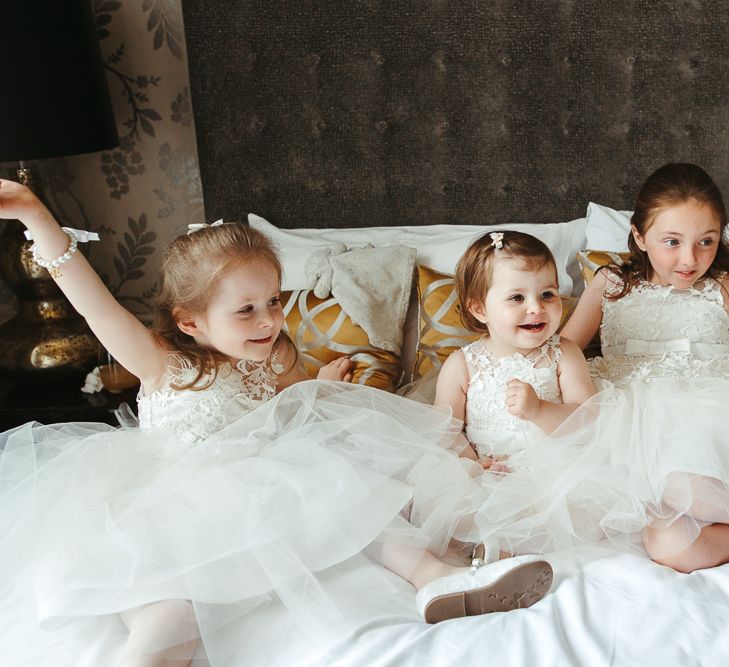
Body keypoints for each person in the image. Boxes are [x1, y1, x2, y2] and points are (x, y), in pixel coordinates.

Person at [0, 179, 553, 667]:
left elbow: (296, 413)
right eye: (246, 311)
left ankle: (438, 581)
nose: (268, 321)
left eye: (273, 301)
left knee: (352, 492)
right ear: (189, 320)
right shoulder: (165, 364)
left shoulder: (273, 358)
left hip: (261, 494)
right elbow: (91, 301)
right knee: (169, 622)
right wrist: (32, 212)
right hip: (174, 508)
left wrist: (323, 387)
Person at [560, 162, 729, 572]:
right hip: (628, 415)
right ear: (639, 234)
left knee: (677, 480)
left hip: (709, 407)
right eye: (672, 241)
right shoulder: (611, 284)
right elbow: (563, 349)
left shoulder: (722, 285)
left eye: (706, 241)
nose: (690, 259)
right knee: (669, 546)